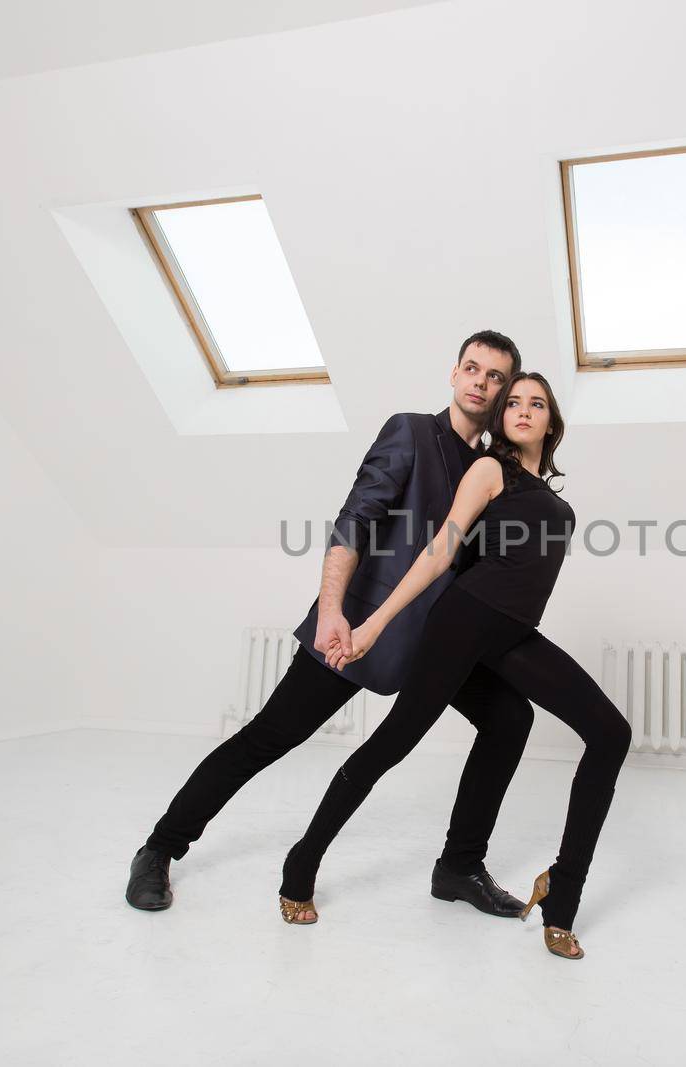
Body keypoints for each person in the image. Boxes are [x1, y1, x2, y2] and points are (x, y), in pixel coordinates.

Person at [125, 331, 537, 922]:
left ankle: (460, 867)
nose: (481, 382)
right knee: (270, 736)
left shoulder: (495, 469)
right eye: (472, 369)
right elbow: (355, 519)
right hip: (360, 626)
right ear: (453, 374)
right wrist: (331, 610)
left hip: (442, 640)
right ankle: (160, 846)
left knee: (510, 717)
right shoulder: (411, 432)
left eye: (496, 377)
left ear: (506, 391)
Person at [277, 371, 632, 960]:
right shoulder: (492, 471)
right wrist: (372, 624)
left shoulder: (554, 499)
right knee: (392, 744)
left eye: (535, 403)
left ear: (552, 421)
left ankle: (557, 894)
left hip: (512, 634)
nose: (521, 410)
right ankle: (302, 860)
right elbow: (441, 548)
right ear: (501, 418)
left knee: (607, 732)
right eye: (512, 402)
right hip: (462, 622)